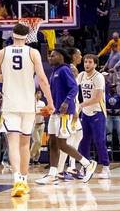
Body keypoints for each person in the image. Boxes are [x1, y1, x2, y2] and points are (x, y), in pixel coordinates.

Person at [0, 22, 55, 197]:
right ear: (28, 36)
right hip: (28, 104)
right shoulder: (33, 52)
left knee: (13, 143)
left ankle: (17, 180)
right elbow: (43, 79)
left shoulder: (1, 53)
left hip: (10, 104)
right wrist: (50, 102)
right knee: (25, 143)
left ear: (12, 35)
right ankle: (24, 179)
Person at [36, 48, 96, 185]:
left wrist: (66, 102)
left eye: (53, 55)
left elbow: (74, 88)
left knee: (62, 144)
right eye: (49, 56)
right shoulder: (54, 71)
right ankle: (52, 174)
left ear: (61, 56)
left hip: (64, 114)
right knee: (52, 143)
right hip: (55, 113)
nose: (50, 58)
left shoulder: (64, 70)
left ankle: (87, 164)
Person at [77, 53, 111, 179]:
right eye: (85, 62)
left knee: (99, 141)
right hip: (85, 113)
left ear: (95, 64)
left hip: (98, 112)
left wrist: (81, 105)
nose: (87, 64)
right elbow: (75, 90)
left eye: (90, 62)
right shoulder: (81, 75)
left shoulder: (99, 77)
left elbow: (97, 98)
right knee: (83, 141)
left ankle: (106, 167)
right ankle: (85, 166)